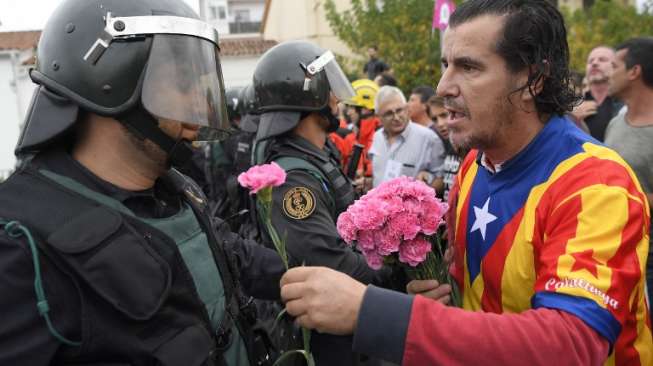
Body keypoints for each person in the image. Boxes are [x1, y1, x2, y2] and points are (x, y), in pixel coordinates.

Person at [279, 1, 652, 365]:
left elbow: (572, 345)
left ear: (533, 79)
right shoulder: (475, 162)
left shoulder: (598, 184)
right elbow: (469, 288)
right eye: (445, 65)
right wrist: (435, 294)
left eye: (468, 67)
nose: (442, 86)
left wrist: (374, 313)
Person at [0, 0, 286, 364]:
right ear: (109, 79)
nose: (198, 112)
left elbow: (231, 253)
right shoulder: (18, 242)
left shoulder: (175, 189)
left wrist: (326, 277)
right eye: (184, 83)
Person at [251, 40, 392, 366]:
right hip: (329, 337)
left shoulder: (315, 155)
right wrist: (390, 274)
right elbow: (326, 260)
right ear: (309, 97)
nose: (336, 99)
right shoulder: (292, 179)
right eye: (328, 88)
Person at [604, 37, 653, 310]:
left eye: (615, 65)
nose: (609, 73)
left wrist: (627, 199)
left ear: (634, 72)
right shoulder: (615, 123)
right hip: (616, 254)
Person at [369, 86, 444, 188]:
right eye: (389, 113)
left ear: (407, 108)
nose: (396, 117)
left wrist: (424, 186)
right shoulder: (377, 137)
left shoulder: (429, 138)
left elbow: (442, 181)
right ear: (378, 117)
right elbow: (378, 176)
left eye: (399, 110)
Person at [570, 46, 623, 141]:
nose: (594, 63)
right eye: (590, 61)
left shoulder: (625, 103)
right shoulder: (571, 104)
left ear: (615, 66)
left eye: (602, 60)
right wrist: (570, 117)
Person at [426, 95, 467, 201]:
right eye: (434, 119)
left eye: (444, 115)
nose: (439, 124)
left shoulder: (472, 147)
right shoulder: (444, 144)